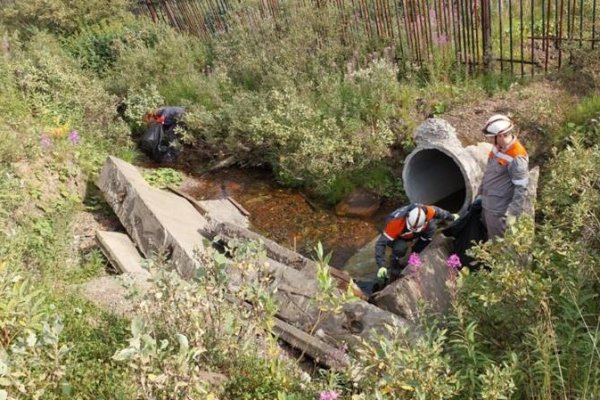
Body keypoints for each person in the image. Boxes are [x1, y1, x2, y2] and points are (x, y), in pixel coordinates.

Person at [374, 203, 458, 281]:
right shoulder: (395, 223)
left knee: (431, 227)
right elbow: (380, 244)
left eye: (416, 228)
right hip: (400, 235)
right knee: (400, 247)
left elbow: (441, 213)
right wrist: (381, 265)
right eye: (412, 228)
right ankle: (394, 263)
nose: (414, 230)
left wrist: (452, 217)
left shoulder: (428, 211)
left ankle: (415, 254)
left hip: (417, 230)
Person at [478, 114, 529, 239]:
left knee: (498, 242)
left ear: (500, 136)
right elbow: (490, 171)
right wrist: (480, 193)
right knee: (487, 233)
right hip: (487, 202)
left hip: (498, 210)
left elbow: (521, 188)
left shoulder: (517, 157)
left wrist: (513, 213)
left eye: (492, 137)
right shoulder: (498, 147)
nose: (490, 140)